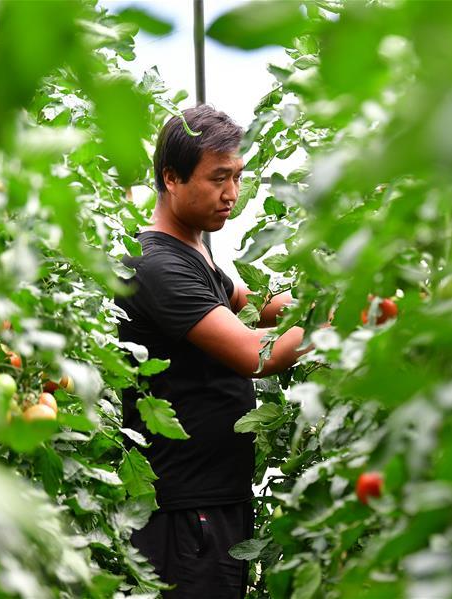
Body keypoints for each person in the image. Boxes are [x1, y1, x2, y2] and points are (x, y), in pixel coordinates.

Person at [115, 105, 309, 598]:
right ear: (172, 179)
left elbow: (254, 308)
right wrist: (337, 316)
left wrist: (323, 292)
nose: (232, 194)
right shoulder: (154, 266)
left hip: (213, 500)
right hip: (184, 513)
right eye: (219, 178)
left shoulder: (193, 248)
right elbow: (255, 352)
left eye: (238, 177)